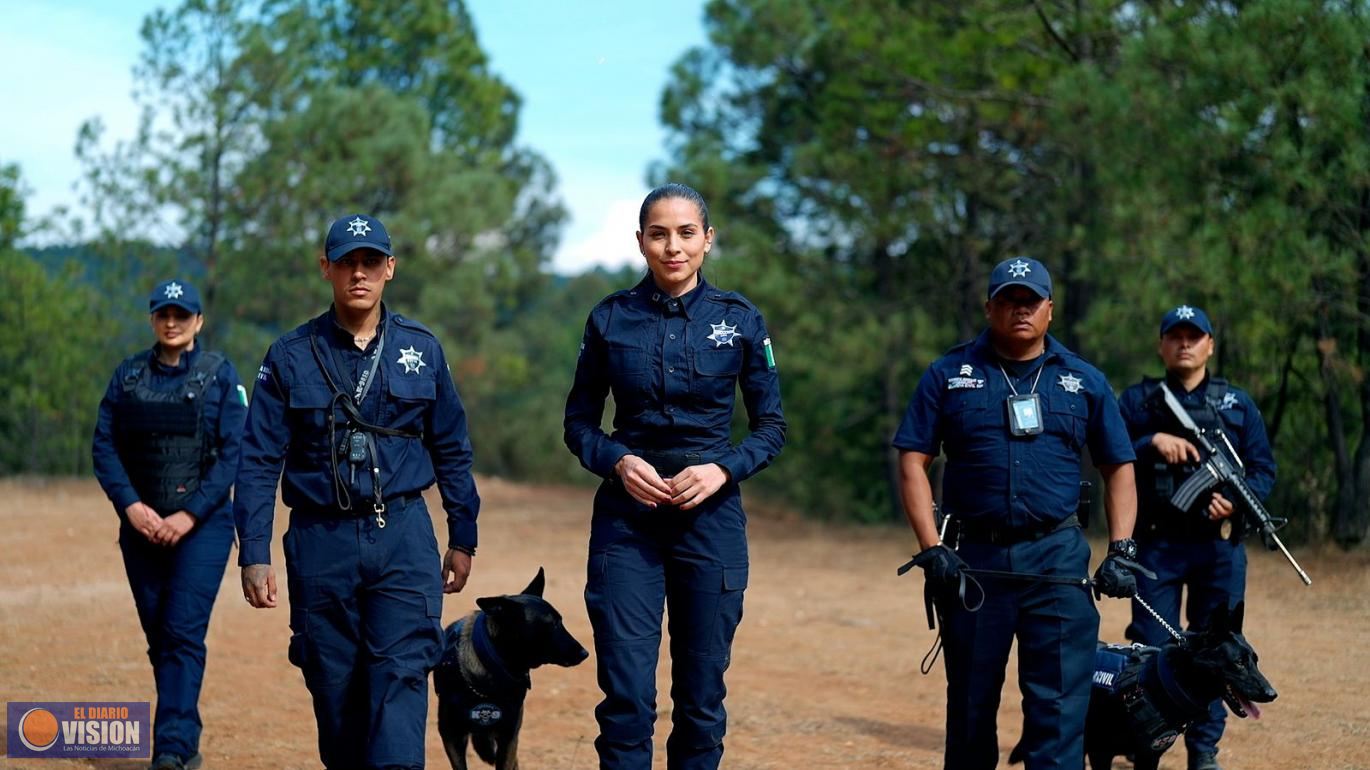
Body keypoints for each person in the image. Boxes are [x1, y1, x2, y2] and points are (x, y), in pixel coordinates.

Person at [233, 213, 480, 770]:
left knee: (402, 673)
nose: (359, 273)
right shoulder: (289, 355)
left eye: (371, 261)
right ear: (327, 268)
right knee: (334, 684)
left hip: (403, 536)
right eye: (347, 262)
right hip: (321, 539)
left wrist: (463, 535)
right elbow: (259, 460)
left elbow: (452, 448)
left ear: (390, 268)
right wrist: (254, 551)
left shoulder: (422, 348)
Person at [563, 183, 786, 769]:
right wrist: (617, 460)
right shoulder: (609, 318)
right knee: (628, 699)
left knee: (701, 701)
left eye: (686, 233)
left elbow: (771, 428)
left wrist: (722, 470)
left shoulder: (740, 319)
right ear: (640, 242)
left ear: (708, 240)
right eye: (659, 235)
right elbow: (579, 423)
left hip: (711, 524)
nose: (673, 247)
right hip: (626, 526)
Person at [893, 257, 1143, 770]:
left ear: (1050, 308)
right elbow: (913, 460)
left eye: (1031, 300)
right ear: (990, 308)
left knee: (1059, 713)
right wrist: (931, 548)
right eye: (1009, 300)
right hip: (975, 564)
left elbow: (1118, 465)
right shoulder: (949, 374)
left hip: (1057, 562)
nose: (1020, 309)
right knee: (970, 708)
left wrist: (1121, 548)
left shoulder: (1083, 380)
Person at [92, 278, 246, 770]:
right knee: (160, 636)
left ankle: (174, 748)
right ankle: (181, 733)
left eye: (182, 315)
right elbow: (104, 446)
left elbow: (234, 452)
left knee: (181, 632)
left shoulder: (220, 376)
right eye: (164, 314)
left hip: (202, 528)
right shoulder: (127, 376)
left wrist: (189, 513)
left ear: (198, 321)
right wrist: (130, 506)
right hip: (141, 527)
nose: (172, 322)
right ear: (153, 320)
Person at [1118, 304, 1276, 770]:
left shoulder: (1237, 404)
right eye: (1175, 336)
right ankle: (1146, 740)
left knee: (1219, 654)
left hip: (1218, 548)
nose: (1184, 343)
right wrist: (1150, 442)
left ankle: (1203, 751)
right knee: (1152, 646)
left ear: (1210, 345)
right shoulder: (1138, 401)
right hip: (1157, 546)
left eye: (1194, 336)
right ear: (1161, 345)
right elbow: (1108, 454)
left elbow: (1263, 470)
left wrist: (1236, 502)